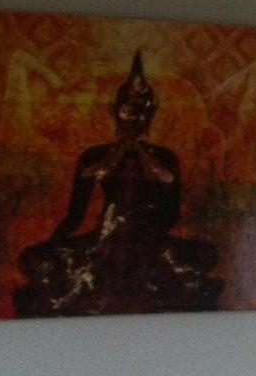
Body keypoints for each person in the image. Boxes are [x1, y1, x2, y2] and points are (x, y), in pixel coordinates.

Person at [13, 52, 224, 316]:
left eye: (143, 105)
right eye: (129, 104)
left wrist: (140, 153)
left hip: (150, 241)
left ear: (152, 111)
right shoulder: (95, 156)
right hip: (104, 236)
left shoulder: (164, 158)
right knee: (36, 259)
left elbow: (171, 214)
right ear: (115, 109)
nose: (136, 112)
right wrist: (57, 243)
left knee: (205, 256)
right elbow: (76, 214)